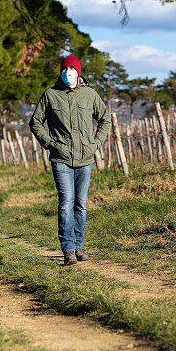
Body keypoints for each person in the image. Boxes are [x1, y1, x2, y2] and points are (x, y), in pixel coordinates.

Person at [29, 55, 112, 265]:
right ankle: (68, 250)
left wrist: (96, 143)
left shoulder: (90, 94)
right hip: (61, 158)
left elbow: (105, 119)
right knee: (66, 203)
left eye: (71, 69)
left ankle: (78, 246)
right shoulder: (50, 95)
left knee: (81, 205)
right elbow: (35, 122)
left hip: (85, 158)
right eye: (64, 69)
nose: (68, 72)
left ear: (78, 72)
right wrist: (49, 143)